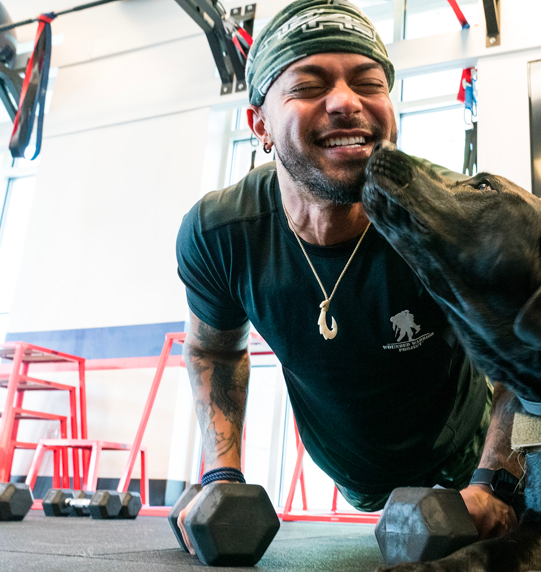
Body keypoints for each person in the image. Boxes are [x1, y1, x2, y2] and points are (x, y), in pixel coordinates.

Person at [174, 0, 520, 551]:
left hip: (461, 453)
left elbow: (525, 362)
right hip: (348, 464)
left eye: (368, 82)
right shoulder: (223, 233)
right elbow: (213, 349)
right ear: (258, 123)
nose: (345, 102)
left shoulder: (454, 219)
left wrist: (495, 483)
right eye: (310, 86)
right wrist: (221, 475)